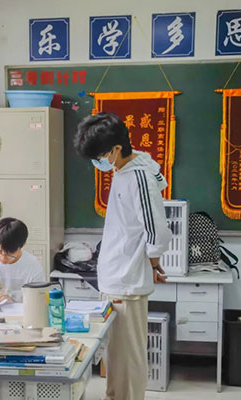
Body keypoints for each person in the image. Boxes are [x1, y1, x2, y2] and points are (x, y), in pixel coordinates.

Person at [73, 112, 172, 400]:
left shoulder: (139, 177)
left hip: (126, 281)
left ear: (117, 148)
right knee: (115, 356)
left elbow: (156, 229)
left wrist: (154, 262)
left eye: (100, 156)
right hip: (117, 277)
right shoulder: (125, 169)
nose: (98, 162)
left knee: (127, 358)